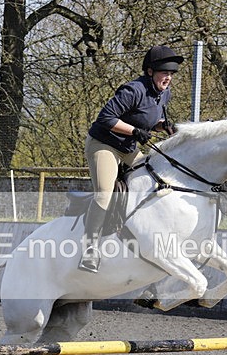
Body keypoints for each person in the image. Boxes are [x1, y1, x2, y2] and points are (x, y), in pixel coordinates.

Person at [78, 45, 185, 273]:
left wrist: (160, 126)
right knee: (105, 194)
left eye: (171, 74)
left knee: (155, 179)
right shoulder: (133, 90)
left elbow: (144, 119)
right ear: (149, 71)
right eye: (164, 73)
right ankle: (89, 250)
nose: (168, 78)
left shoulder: (163, 93)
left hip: (127, 147)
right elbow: (105, 118)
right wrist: (135, 132)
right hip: (104, 144)